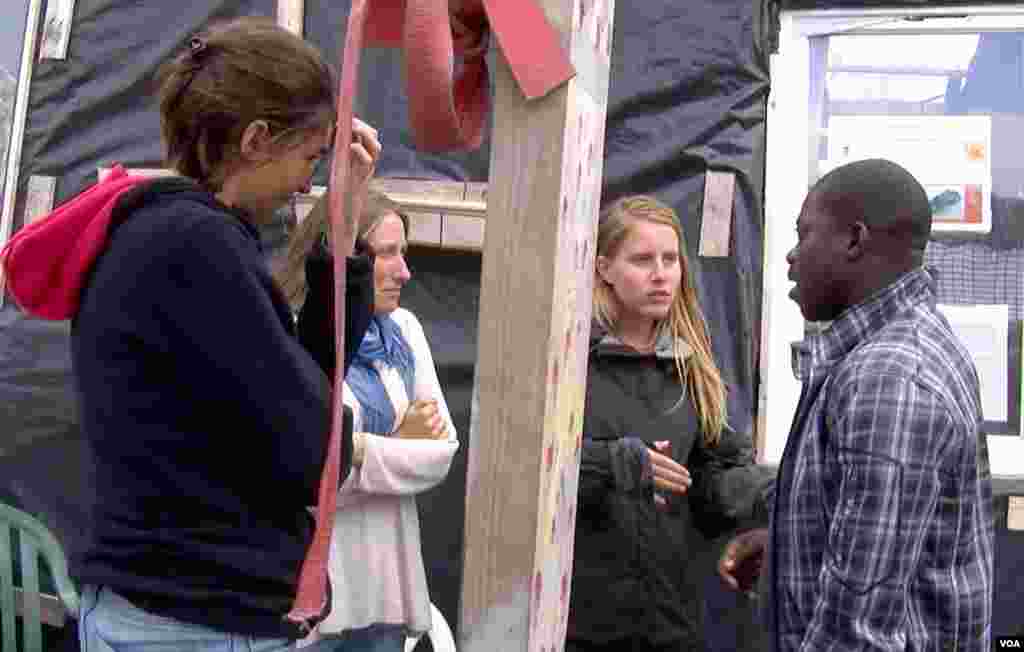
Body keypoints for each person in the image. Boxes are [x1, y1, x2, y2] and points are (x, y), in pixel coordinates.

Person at [48, 18, 380, 651]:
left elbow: (302, 383)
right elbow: (316, 452)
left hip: (161, 610)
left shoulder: (163, 234)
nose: (309, 182)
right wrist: (338, 435)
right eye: (310, 156)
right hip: (194, 624)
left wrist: (343, 229)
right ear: (256, 139)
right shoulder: (196, 247)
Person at [719, 159, 994, 651]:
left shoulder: (888, 378)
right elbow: (891, 547)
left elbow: (857, 636)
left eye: (805, 234)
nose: (790, 255)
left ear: (853, 240)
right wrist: (790, 549)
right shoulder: (908, 343)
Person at [568, 195, 769, 652]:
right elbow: (527, 466)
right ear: (604, 268)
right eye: (642, 260)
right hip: (581, 624)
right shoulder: (570, 361)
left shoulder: (692, 369)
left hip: (671, 623)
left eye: (670, 259)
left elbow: (713, 481)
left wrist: (769, 488)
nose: (661, 274)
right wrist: (614, 463)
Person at [277, 190, 459, 651]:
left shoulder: (405, 331)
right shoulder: (296, 334)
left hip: (388, 584)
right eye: (387, 254)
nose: (405, 271)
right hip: (318, 591)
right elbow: (307, 479)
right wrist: (394, 444)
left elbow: (441, 453)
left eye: (404, 252)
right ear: (345, 257)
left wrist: (355, 450)